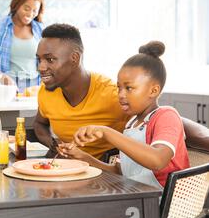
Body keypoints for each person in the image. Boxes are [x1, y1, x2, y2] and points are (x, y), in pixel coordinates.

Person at [59, 41, 208, 218]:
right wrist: (83, 158)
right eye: (118, 87)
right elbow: (127, 173)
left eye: (129, 88)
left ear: (153, 90)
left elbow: (157, 160)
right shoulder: (132, 124)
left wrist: (107, 132)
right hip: (141, 210)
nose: (120, 95)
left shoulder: (166, 116)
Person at [34, 23, 209, 160]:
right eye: (39, 59)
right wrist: (54, 144)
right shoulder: (46, 92)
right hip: (69, 171)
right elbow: (39, 124)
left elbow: (163, 118)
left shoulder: (112, 95)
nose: (41, 67)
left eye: (49, 59)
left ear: (74, 58)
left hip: (108, 181)